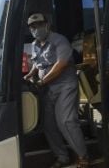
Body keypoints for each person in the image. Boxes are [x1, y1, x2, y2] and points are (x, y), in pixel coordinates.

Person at [23, 13, 89, 168]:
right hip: (47, 89)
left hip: (65, 86)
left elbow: (61, 64)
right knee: (49, 126)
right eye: (32, 27)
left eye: (38, 25)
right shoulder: (34, 45)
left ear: (47, 25)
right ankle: (63, 157)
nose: (35, 29)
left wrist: (41, 81)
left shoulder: (60, 40)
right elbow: (37, 63)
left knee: (66, 121)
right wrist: (30, 75)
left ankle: (83, 157)